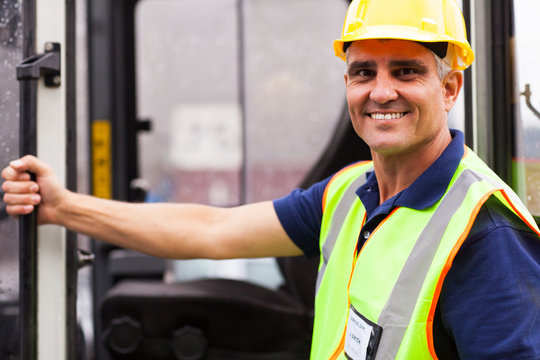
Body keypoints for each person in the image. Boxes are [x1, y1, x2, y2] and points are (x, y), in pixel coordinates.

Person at [3, 0, 540, 358]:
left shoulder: (484, 235)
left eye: (406, 71)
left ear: (449, 89)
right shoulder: (349, 193)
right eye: (362, 72)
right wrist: (63, 207)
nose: (380, 92)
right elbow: (210, 230)